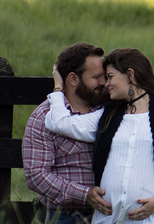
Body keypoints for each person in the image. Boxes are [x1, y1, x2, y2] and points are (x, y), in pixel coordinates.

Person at [44, 48, 154, 224]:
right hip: (106, 220)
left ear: (130, 75)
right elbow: (59, 123)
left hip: (149, 220)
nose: (106, 83)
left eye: (110, 76)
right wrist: (58, 87)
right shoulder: (108, 115)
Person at [23, 42, 111, 224]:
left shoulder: (109, 110)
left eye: (105, 76)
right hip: (65, 216)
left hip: (110, 213)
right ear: (73, 79)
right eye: (96, 77)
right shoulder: (44, 117)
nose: (104, 82)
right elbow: (36, 176)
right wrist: (84, 194)